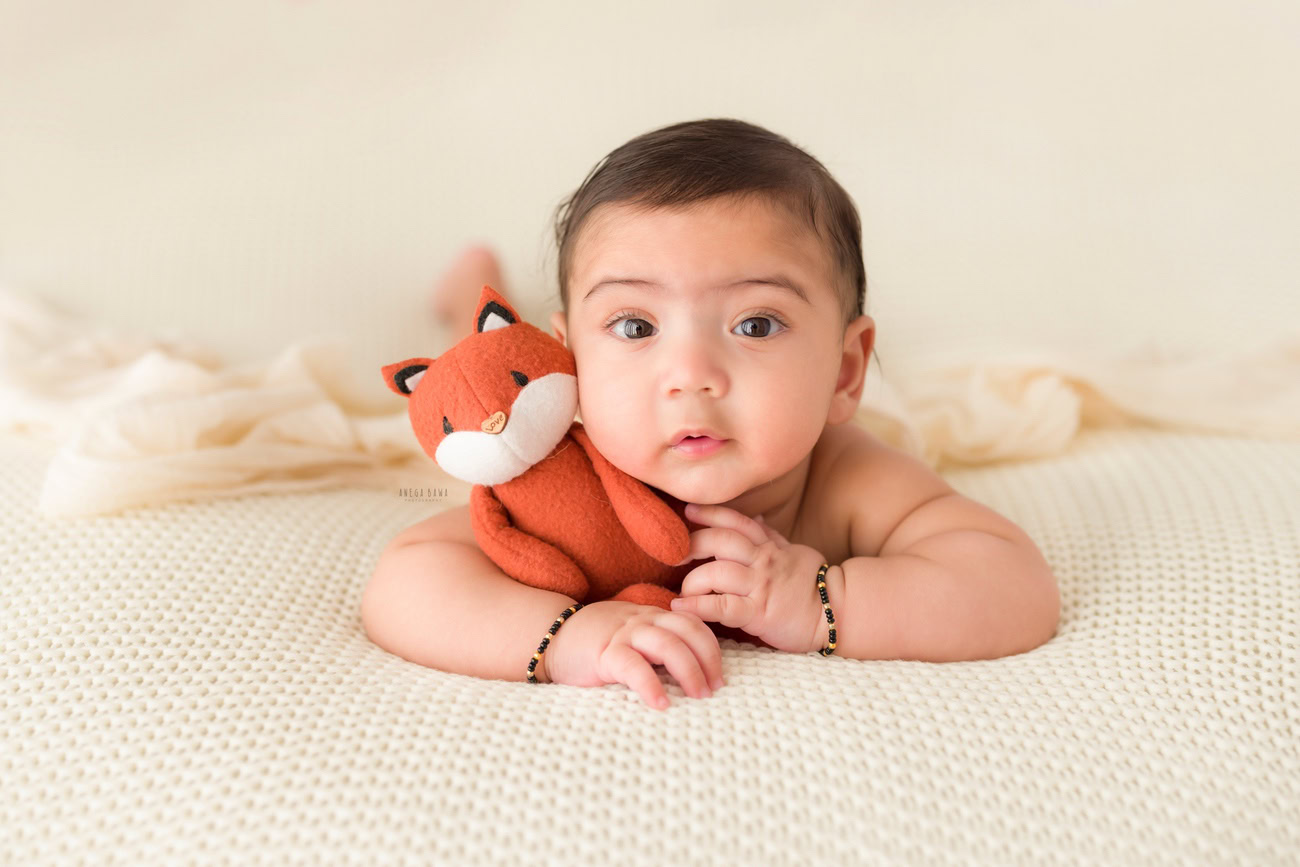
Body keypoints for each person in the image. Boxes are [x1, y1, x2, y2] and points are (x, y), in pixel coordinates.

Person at [363, 118, 1060, 711]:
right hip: (505, 388)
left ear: (846, 371)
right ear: (573, 362)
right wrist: (565, 636)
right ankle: (472, 292)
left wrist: (826, 599)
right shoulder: (558, 476)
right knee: (473, 361)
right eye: (635, 327)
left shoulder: (848, 477)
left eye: (755, 324)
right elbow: (407, 581)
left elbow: (1012, 583)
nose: (690, 376)